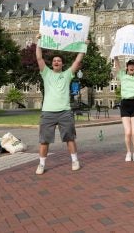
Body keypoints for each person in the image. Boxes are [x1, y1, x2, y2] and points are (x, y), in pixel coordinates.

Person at [34, 35, 85, 174]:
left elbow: (78, 60)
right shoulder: (46, 73)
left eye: (59, 60)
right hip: (48, 112)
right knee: (44, 140)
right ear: (52, 64)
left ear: (62, 64)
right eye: (54, 60)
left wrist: (84, 46)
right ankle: (41, 164)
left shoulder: (68, 74)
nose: (56, 62)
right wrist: (38, 41)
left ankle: (75, 161)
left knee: (70, 138)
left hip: (64, 112)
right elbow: (39, 58)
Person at [113, 57, 134, 162]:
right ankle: (128, 152)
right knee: (128, 132)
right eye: (130, 65)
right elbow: (117, 65)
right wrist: (115, 56)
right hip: (125, 104)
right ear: (127, 67)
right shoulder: (122, 75)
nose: (132, 67)